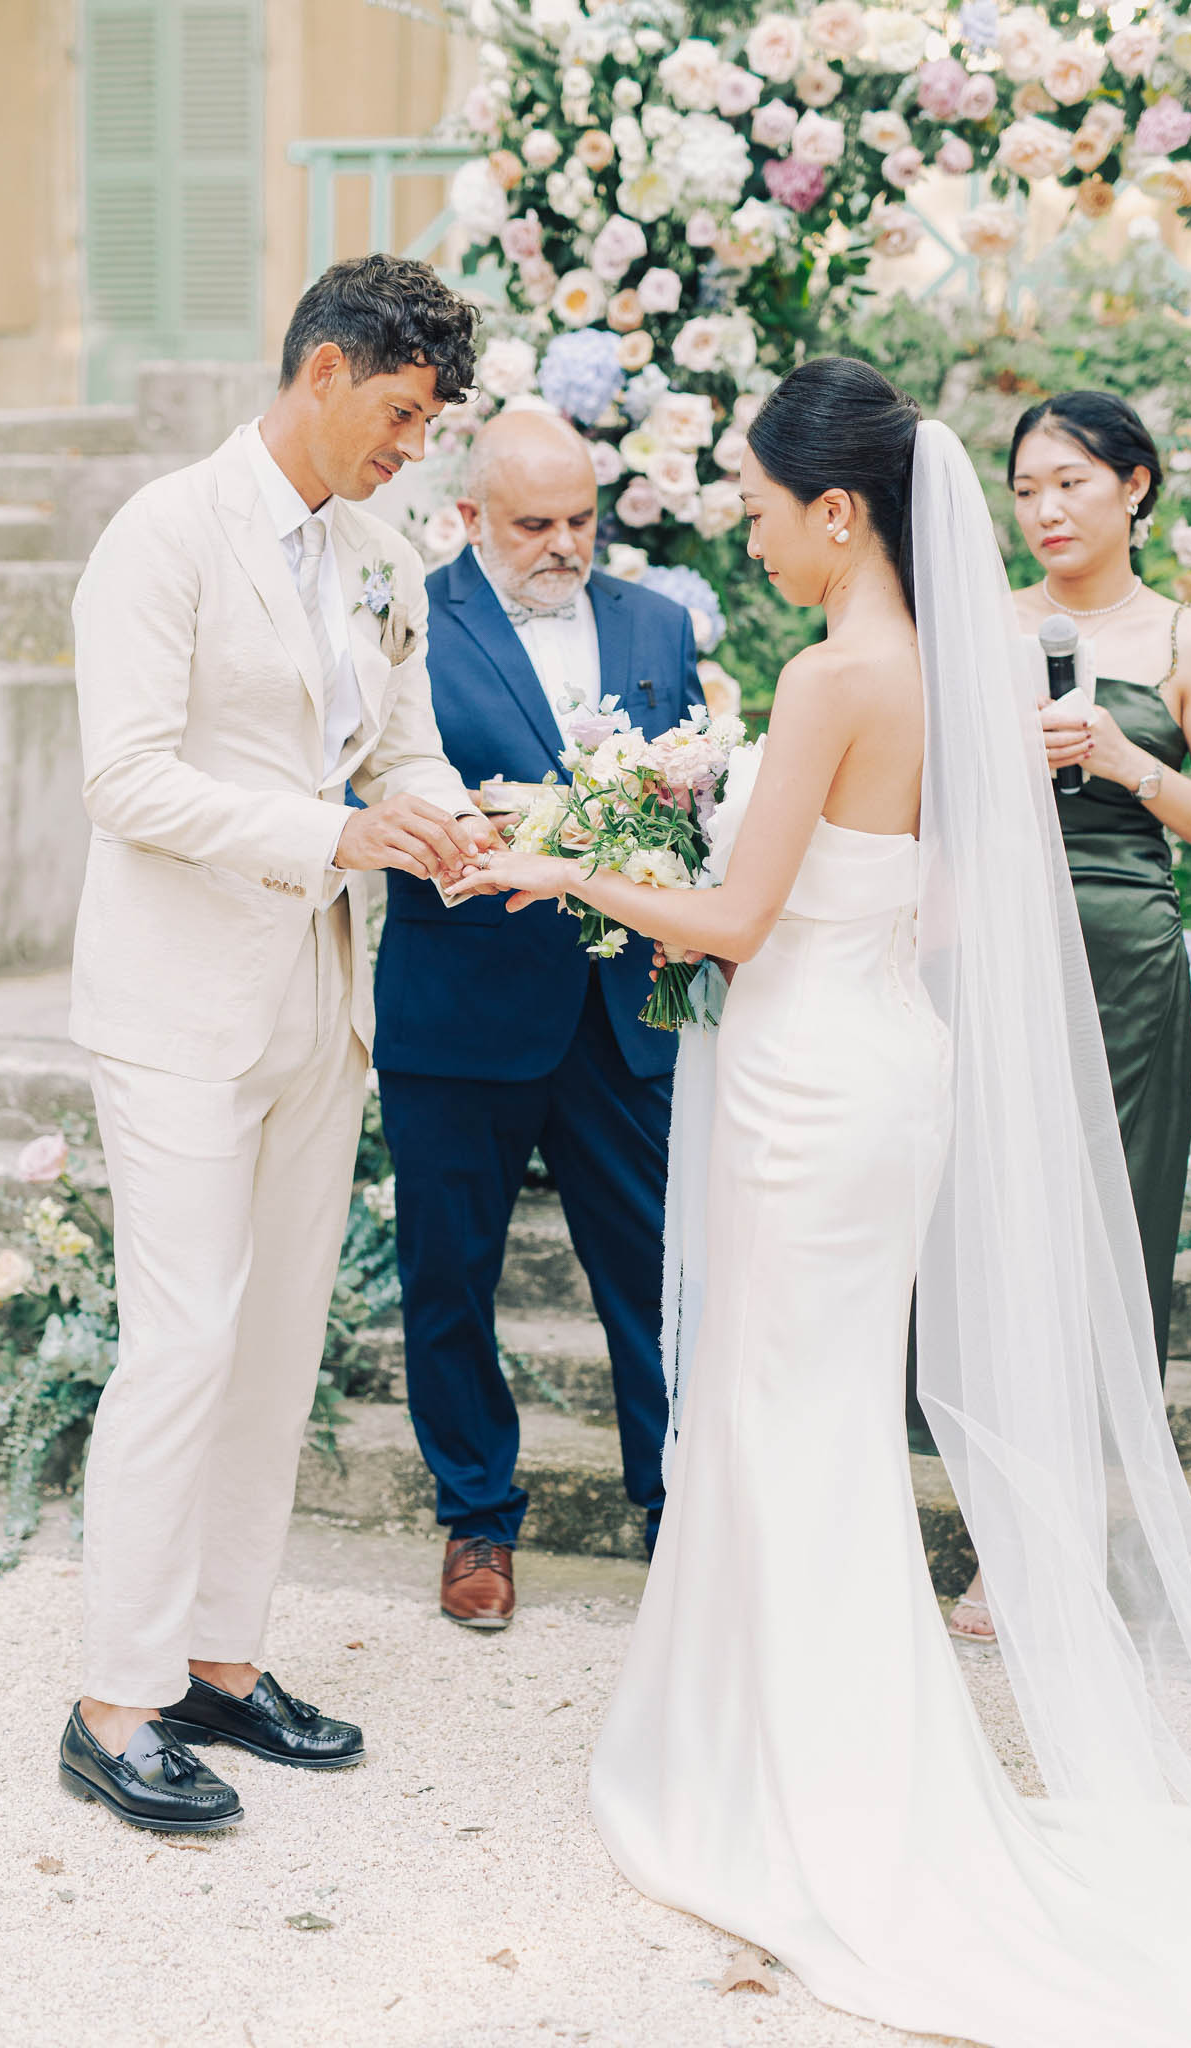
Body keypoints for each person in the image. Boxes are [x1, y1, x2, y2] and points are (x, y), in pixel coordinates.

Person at [453, 359, 1191, 2047]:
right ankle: (788, 1736)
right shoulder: (951, 669)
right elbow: (948, 896)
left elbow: (732, 925)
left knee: (776, 1411)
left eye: (754, 504)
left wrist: (559, 859)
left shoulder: (833, 675)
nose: (743, 535)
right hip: (879, 1056)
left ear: (834, 509)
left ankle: (788, 1772)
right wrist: (800, 899)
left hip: (806, 1078)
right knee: (796, 1413)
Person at [58, 256, 496, 1833]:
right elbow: (126, 780)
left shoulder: (381, 553)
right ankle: (113, 1700)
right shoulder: (162, 533)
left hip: (322, 1002)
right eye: (398, 413)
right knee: (181, 1343)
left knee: (272, 1347)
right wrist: (332, 829)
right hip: (178, 1007)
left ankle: (219, 1667)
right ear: (322, 372)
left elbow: (405, 743)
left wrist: (467, 821)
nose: (410, 449)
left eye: (428, 423)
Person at [373, 410, 703, 1628]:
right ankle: (476, 1521)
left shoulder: (659, 624)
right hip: (458, 1005)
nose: (564, 544)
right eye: (534, 523)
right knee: (449, 1276)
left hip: (624, 1007)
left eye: (581, 519)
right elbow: (368, 776)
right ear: (469, 517)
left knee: (661, 1277)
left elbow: (689, 803)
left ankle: (678, 1513)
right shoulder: (407, 617)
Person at [948, 392, 1191, 1644]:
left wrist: (1131, 765)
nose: (1046, 510)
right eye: (1025, 489)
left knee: (1107, 1237)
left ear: (1133, 486)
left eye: (1070, 482)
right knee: (992, 1222)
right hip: (990, 949)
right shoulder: (977, 627)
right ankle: (995, 1527)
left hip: (1125, 957)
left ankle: (1071, 1526)